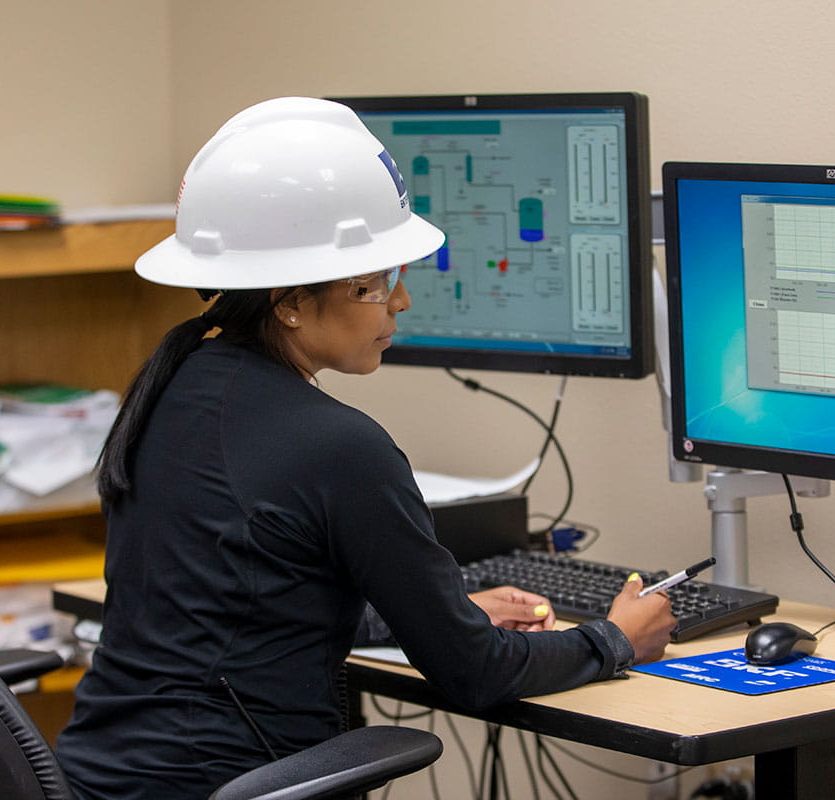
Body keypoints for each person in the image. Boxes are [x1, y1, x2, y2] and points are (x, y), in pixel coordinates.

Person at [53, 97, 676, 800]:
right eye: (375, 283)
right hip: (225, 782)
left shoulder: (172, 383)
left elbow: (248, 603)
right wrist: (618, 639)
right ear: (288, 300)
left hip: (98, 778)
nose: (399, 303)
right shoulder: (341, 446)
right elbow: (474, 673)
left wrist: (454, 607)